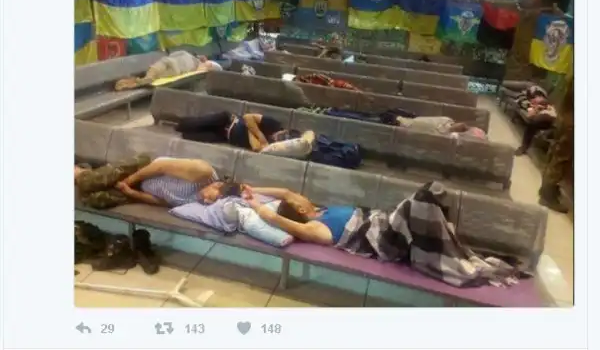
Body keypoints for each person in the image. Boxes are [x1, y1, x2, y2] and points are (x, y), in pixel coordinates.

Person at [241, 184, 523, 287]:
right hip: (385, 241)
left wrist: (251, 188)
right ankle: (455, 261)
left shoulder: (320, 210)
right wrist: (255, 206)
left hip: (387, 224)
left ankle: (451, 250)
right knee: (421, 199)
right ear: (301, 211)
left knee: (430, 196)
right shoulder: (316, 229)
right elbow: (274, 218)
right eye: (299, 201)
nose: (300, 196)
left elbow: (286, 192)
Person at [75, 158, 239, 208]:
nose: (208, 202)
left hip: (139, 188)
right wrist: (128, 181)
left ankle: (85, 171)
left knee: (94, 199)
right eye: (212, 198)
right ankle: (80, 171)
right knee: (88, 182)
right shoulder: (203, 173)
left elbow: (163, 202)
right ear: (217, 185)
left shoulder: (199, 202)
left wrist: (131, 193)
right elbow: (160, 166)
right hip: (141, 169)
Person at [175, 112, 316, 156]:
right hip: (228, 121)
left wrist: (250, 127)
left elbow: (256, 147)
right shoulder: (274, 124)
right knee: (190, 124)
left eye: (281, 139)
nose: (276, 137)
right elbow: (248, 116)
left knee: (188, 137)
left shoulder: (272, 147)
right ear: (284, 130)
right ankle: (179, 123)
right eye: (281, 134)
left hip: (225, 137)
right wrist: (260, 135)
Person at [537, 78, 574, 213]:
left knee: (556, 156)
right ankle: (547, 195)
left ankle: (547, 190)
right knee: (560, 159)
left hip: (566, 120)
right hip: (570, 123)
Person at [115, 51, 222, 91]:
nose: (205, 67)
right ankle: (131, 82)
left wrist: (204, 67)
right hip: (169, 64)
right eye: (207, 65)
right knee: (151, 77)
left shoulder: (195, 67)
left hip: (171, 69)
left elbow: (201, 69)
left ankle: (133, 82)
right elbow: (173, 55)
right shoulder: (188, 57)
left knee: (151, 77)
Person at [514, 85, 557, 155]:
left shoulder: (546, 102)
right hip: (540, 121)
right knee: (531, 125)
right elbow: (529, 116)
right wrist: (536, 109)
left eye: (539, 97)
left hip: (550, 118)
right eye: (534, 98)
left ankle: (524, 147)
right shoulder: (531, 105)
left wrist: (545, 107)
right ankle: (524, 147)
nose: (537, 99)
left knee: (535, 122)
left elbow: (553, 114)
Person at [396, 116, 487, 139]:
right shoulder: (447, 120)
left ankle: (400, 121)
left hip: (441, 131)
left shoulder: (451, 135)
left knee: (412, 123)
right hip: (441, 126)